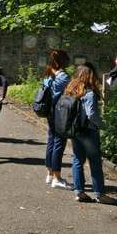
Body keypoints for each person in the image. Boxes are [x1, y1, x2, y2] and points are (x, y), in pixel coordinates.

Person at [65, 63, 115, 204]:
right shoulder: (90, 93)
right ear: (90, 76)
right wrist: (103, 125)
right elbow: (92, 115)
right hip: (89, 131)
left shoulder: (71, 90)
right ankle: (100, 194)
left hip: (75, 131)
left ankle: (79, 191)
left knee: (77, 160)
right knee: (95, 162)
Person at [43, 49, 72, 189]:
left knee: (51, 141)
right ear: (63, 61)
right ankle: (57, 177)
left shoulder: (49, 75)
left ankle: (49, 174)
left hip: (49, 112)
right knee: (59, 143)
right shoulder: (64, 77)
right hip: (60, 113)